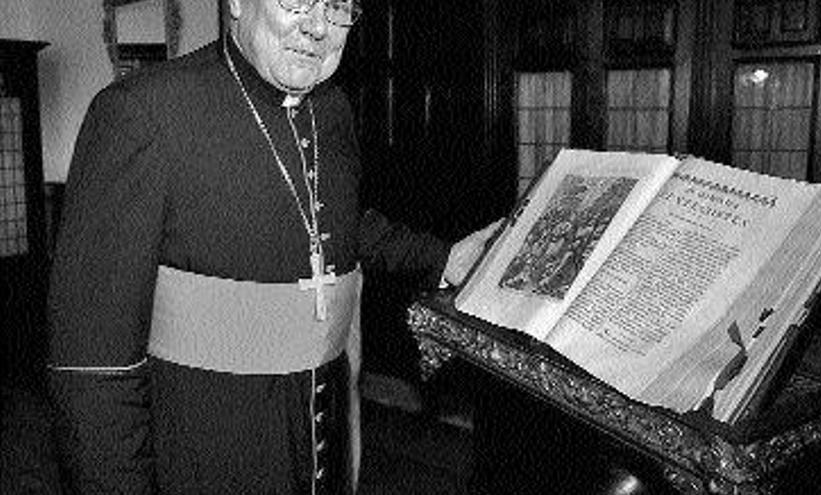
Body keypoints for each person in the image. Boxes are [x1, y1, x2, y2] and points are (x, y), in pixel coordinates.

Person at [46, 0, 498, 493]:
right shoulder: (141, 114)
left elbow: (331, 220)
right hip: (211, 455)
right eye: (297, 0)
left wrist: (441, 257)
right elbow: (91, 372)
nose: (318, 26)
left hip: (326, 436)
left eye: (338, 5)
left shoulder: (333, 110)